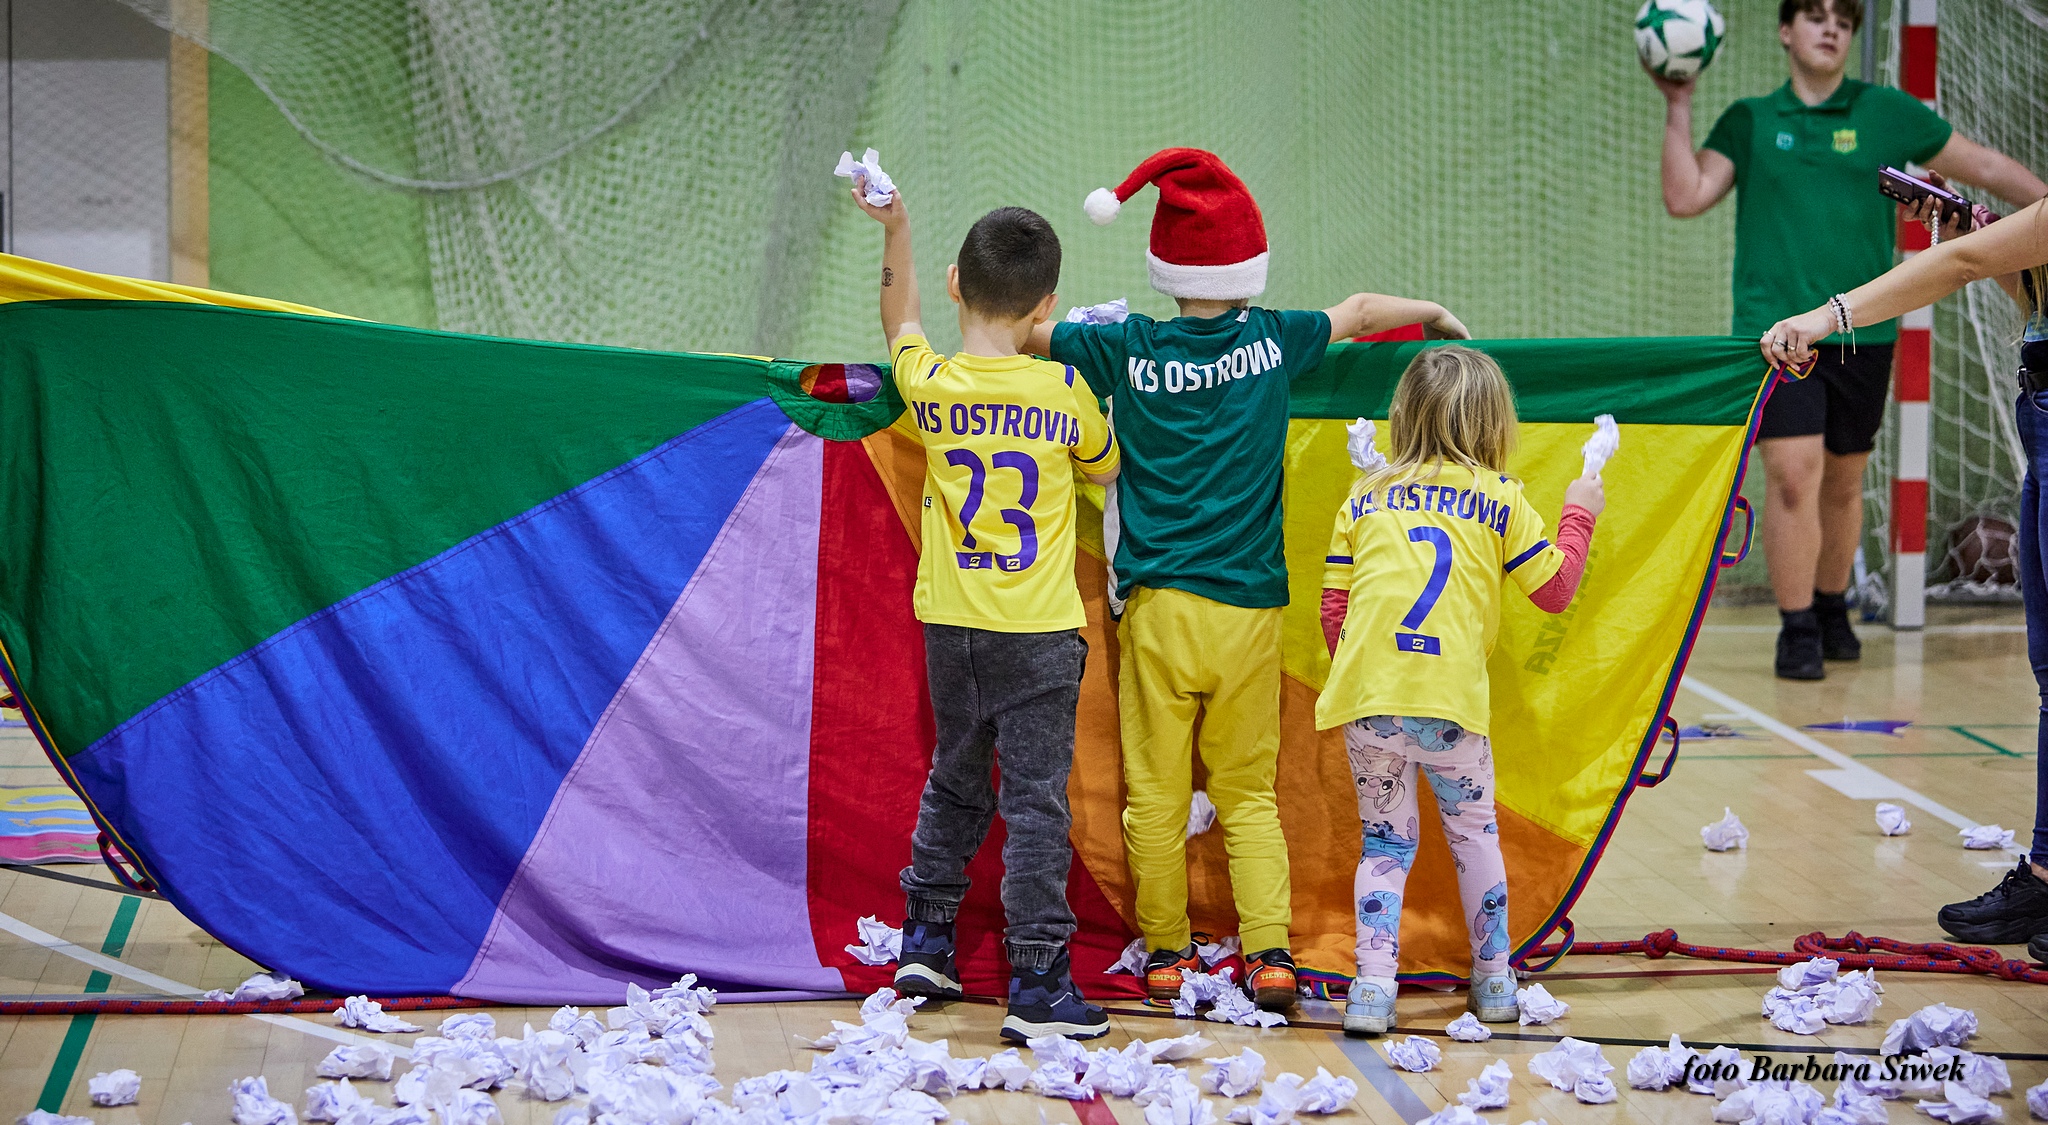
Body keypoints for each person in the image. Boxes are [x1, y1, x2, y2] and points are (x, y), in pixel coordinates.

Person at [1027, 147, 1469, 1011]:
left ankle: (1165, 953)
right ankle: (1268, 953)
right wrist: (1435, 311)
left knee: (1155, 798)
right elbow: (1362, 311)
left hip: (1158, 611)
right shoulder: (1272, 341)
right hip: (1249, 613)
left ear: (1166, 270)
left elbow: (1026, 335)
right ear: (1247, 268)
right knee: (1248, 794)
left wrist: (1010, 316)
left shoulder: (1126, 345)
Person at [1652, 0, 2045, 680]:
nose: (1831, 27)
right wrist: (1679, 102)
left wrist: (2041, 208)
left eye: (1843, 19)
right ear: (1785, 30)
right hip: (1778, 331)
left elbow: (1984, 165)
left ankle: (1833, 606)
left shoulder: (1885, 112)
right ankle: (1797, 624)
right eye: (1815, 15)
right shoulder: (1750, 119)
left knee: (1843, 479)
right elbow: (1685, 196)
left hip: (1865, 329)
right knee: (1792, 476)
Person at [849, 176, 1122, 1041]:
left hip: (952, 627)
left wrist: (896, 227)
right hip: (1038, 633)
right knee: (1035, 802)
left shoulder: (933, 385)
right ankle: (1037, 978)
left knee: (955, 778)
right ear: (1046, 306)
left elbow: (899, 323)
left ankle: (926, 940)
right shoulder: (1064, 392)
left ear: (958, 283)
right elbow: (1108, 466)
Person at [1763, 201, 2048, 959]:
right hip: (2039, 414)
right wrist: (1978, 242)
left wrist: (1827, 317)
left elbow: (1958, 265)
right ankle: (2045, 877)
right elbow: (2026, 291)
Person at [1315, 345, 1605, 1035]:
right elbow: (1556, 590)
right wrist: (1581, 508)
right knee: (1474, 837)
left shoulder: (1365, 494)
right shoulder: (1500, 497)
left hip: (1369, 704)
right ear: (1494, 423)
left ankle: (1372, 989)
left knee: (1384, 846)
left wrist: (1370, 677)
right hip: (1451, 710)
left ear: (1404, 415)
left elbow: (1334, 613)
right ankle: (1495, 979)